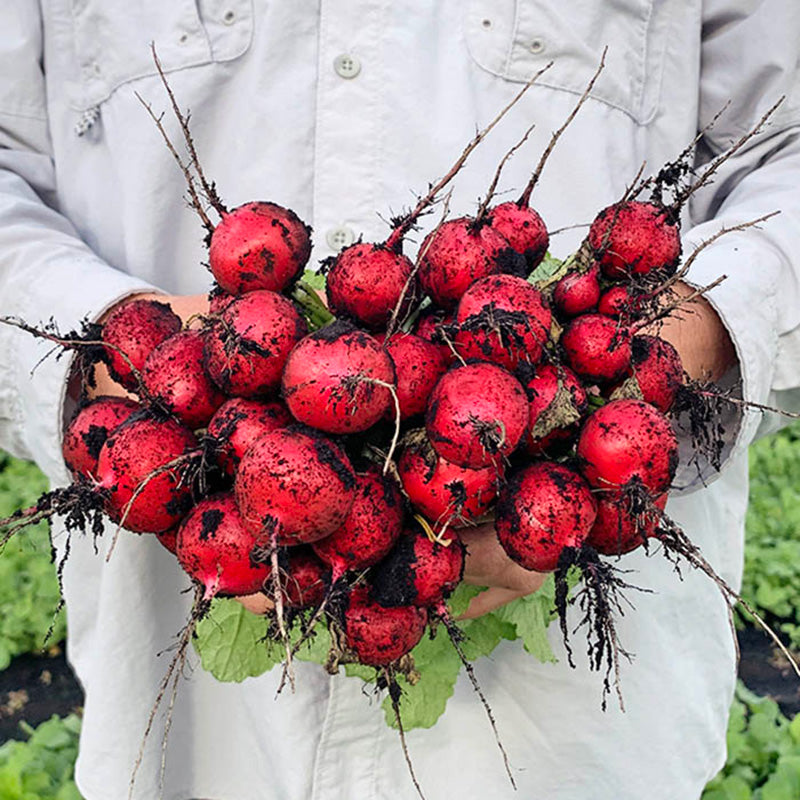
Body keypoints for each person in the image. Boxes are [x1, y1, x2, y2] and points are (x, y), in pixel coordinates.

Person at [1, 2, 799, 798]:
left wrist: (683, 342)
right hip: (193, 692)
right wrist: (116, 353)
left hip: (569, 742)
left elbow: (786, 150)